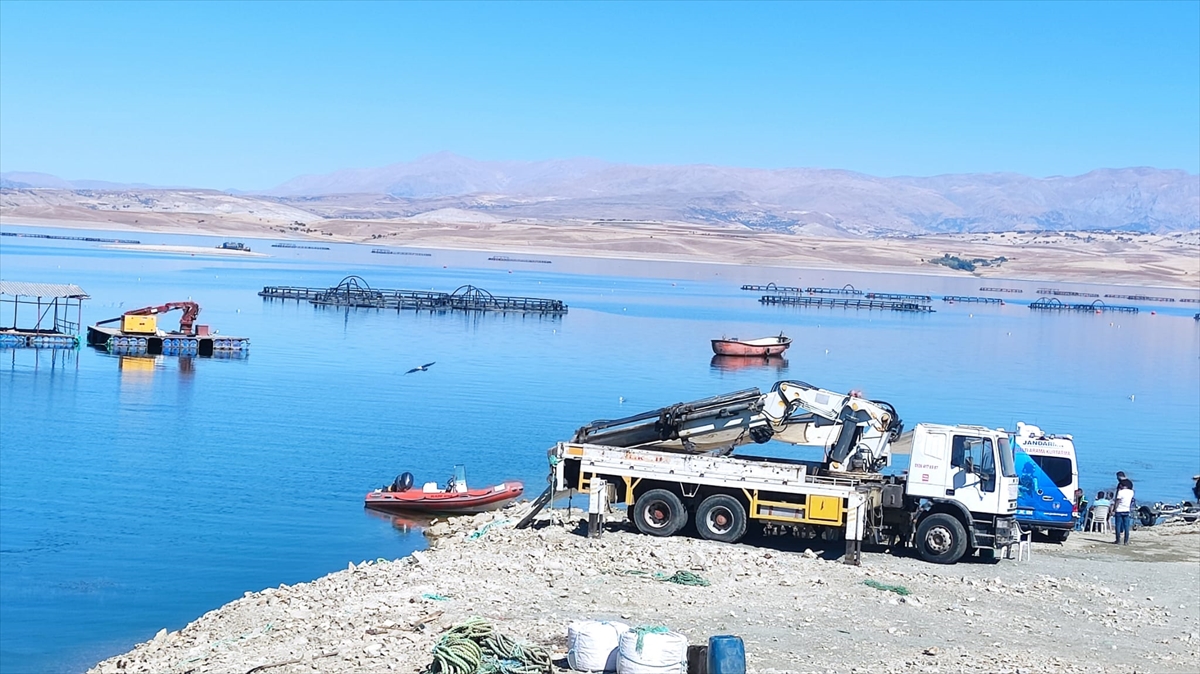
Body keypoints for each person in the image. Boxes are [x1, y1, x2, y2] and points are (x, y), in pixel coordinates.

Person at [1113, 476, 1135, 545]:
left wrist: (1114, 509)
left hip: (1119, 510)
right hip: (1126, 510)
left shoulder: (1121, 492)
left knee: (1118, 526)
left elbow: (1117, 502)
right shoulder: (1131, 492)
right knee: (1126, 527)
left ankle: (1118, 540)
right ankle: (1126, 541)